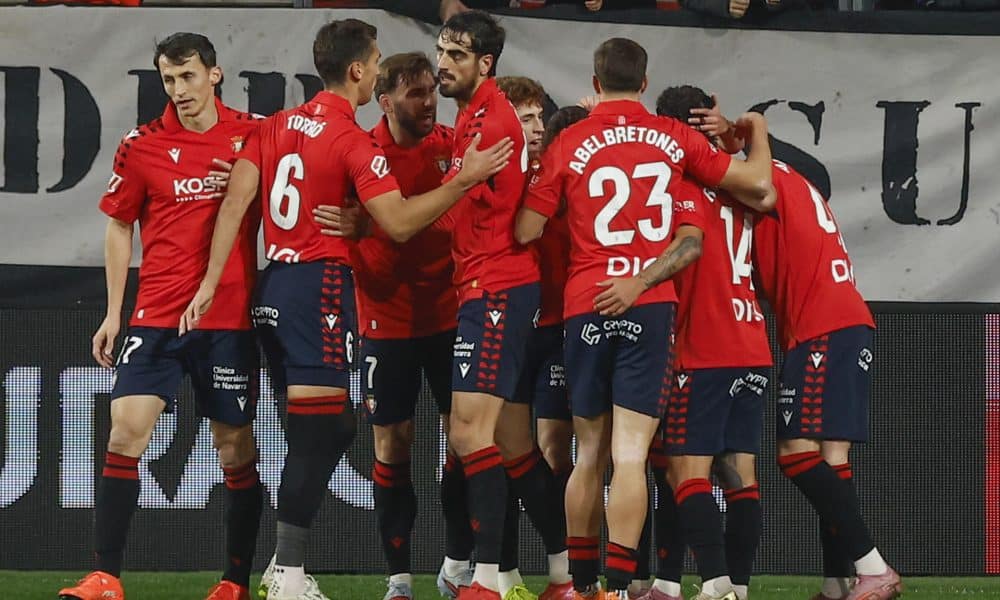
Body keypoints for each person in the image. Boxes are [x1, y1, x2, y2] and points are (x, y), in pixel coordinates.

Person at [181, 18, 512, 600]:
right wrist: (465, 180)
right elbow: (403, 222)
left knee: (325, 427)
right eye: (378, 60)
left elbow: (236, 201)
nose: (382, 69)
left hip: (274, 288)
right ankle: (287, 571)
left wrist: (211, 282)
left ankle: (285, 566)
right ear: (360, 72)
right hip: (321, 290)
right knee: (322, 433)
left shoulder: (275, 126)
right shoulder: (353, 140)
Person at [517, 37, 773, 600]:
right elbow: (756, 186)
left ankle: (581, 588)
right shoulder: (674, 138)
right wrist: (751, 126)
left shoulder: (572, 141)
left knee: (589, 455)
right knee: (631, 456)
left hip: (585, 304)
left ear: (594, 76)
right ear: (646, 79)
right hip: (648, 307)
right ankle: (617, 584)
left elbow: (527, 230)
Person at [58, 33, 263, 600]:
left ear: (215, 75)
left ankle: (234, 581)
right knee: (125, 432)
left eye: (189, 77)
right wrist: (112, 312)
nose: (179, 91)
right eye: (169, 80)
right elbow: (120, 223)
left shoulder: (254, 134)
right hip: (156, 318)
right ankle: (105, 577)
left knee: (235, 451)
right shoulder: (141, 144)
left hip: (227, 320)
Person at [689, 93, 901, 600]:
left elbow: (749, 193)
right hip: (849, 320)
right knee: (832, 458)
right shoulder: (794, 177)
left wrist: (742, 134)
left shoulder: (756, 182)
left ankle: (874, 568)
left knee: (794, 454)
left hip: (821, 327)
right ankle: (837, 585)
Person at [595, 85, 775, 600]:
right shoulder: (740, 185)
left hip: (705, 343)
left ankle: (715, 582)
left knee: (683, 470)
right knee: (741, 473)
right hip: (752, 344)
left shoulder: (680, 184)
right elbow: (769, 191)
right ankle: (732, 585)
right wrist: (750, 132)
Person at [315, 51, 473, 600]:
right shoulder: (361, 152)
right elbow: (326, 217)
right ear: (385, 101)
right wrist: (359, 226)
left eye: (432, 90)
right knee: (393, 445)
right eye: (415, 93)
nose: (429, 102)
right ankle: (399, 580)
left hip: (450, 313)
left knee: (465, 440)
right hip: (384, 317)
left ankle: (456, 565)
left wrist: (374, 223)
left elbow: (468, 214)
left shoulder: (452, 146)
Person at [434, 12, 556, 600]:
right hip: (485, 285)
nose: (442, 64)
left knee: (467, 432)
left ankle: (483, 579)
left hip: (497, 288)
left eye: (456, 55)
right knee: (510, 445)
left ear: (486, 64)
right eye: (441, 51)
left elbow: (457, 204)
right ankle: (561, 576)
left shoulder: (490, 120)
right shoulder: (471, 116)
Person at [494, 75, 574, 600]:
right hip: (512, 325)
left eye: (540, 117)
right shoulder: (492, 175)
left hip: (563, 326)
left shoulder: (563, 168)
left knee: (561, 453)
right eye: (525, 119)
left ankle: (572, 574)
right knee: (505, 452)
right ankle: (501, 572)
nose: (538, 128)